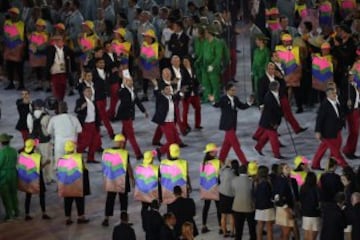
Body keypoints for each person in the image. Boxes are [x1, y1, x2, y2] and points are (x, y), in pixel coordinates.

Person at [209, 83, 254, 165]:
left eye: (235, 90)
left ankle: (220, 160)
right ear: (227, 91)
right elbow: (217, 105)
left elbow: (242, 106)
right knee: (236, 145)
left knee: (226, 145)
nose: (234, 92)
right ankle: (244, 162)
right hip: (227, 125)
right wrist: (212, 101)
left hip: (233, 124)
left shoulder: (235, 98)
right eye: (232, 90)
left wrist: (249, 103)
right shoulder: (223, 99)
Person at [102, 134, 134, 227]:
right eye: (123, 143)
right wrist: (132, 178)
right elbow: (128, 167)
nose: (124, 145)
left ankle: (106, 218)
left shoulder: (106, 152)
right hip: (122, 180)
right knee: (123, 200)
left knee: (110, 199)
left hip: (110, 180)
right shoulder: (124, 153)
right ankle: (124, 220)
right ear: (120, 142)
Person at [312, 87, 348, 169]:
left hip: (336, 130)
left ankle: (315, 164)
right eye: (332, 93)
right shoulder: (325, 105)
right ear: (328, 95)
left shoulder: (336, 102)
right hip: (328, 132)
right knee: (335, 150)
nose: (335, 94)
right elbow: (319, 119)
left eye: (335, 93)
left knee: (325, 147)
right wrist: (317, 131)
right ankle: (345, 165)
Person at [57, 141, 90, 225]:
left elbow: (59, 172)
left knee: (67, 201)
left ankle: (68, 218)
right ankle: (80, 217)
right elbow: (83, 169)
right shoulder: (79, 157)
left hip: (66, 183)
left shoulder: (61, 159)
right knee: (79, 200)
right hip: (77, 183)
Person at [116, 73, 148, 160]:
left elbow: (137, 101)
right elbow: (120, 96)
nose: (130, 82)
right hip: (125, 115)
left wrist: (144, 110)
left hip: (129, 115)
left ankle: (121, 148)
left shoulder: (132, 90)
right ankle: (138, 154)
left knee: (125, 133)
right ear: (125, 82)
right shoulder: (123, 91)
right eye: (128, 81)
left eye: (131, 81)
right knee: (131, 135)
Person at [18, 139, 51, 221]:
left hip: (27, 179)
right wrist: (46, 163)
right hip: (37, 179)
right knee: (42, 195)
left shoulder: (22, 155)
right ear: (33, 147)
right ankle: (44, 213)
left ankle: (27, 214)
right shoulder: (37, 156)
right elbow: (39, 168)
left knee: (28, 196)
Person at [254, 81, 285, 159]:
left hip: (271, 120)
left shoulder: (273, 95)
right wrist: (273, 123)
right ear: (276, 87)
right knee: (273, 138)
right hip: (270, 121)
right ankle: (277, 154)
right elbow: (270, 112)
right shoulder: (269, 98)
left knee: (266, 136)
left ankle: (258, 147)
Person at [47, 101, 82, 167]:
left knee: (59, 160)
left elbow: (49, 131)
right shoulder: (74, 118)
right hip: (71, 141)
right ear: (67, 108)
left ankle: (60, 173)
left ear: (58, 109)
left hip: (59, 142)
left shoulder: (54, 119)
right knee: (72, 160)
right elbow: (80, 130)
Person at [27, 99, 53, 184]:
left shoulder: (29, 115)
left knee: (36, 158)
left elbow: (29, 128)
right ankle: (47, 178)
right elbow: (49, 130)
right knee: (46, 158)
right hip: (44, 140)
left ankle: (37, 178)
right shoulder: (46, 116)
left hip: (34, 140)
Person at [74, 87, 102, 163]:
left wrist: (98, 124)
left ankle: (90, 158)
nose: (89, 93)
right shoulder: (80, 101)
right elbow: (76, 110)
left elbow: (96, 114)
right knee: (86, 142)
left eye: (90, 91)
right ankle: (76, 154)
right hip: (85, 125)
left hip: (93, 124)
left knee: (94, 142)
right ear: (84, 93)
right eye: (87, 91)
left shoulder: (93, 101)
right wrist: (81, 107)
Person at [134, 151, 160, 230]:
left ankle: (145, 225)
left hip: (142, 193)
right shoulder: (156, 169)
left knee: (144, 208)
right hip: (153, 194)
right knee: (154, 210)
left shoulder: (138, 168)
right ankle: (153, 225)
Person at [273, 163, 299, 240]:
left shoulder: (292, 180)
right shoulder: (280, 181)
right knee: (286, 232)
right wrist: (287, 210)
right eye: (286, 168)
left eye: (288, 167)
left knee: (293, 229)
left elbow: (294, 193)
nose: (289, 169)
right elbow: (278, 197)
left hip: (291, 206)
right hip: (284, 208)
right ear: (281, 170)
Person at [200, 143, 221, 234]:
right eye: (215, 150)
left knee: (206, 207)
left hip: (205, 187)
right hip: (215, 187)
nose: (216, 152)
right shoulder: (217, 162)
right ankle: (221, 226)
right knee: (219, 208)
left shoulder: (203, 163)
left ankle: (204, 225)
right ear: (211, 152)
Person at [231, 164, 257, 240]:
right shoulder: (251, 181)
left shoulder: (234, 180)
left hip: (237, 207)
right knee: (252, 229)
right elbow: (254, 193)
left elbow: (233, 193)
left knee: (238, 230)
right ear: (247, 171)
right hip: (249, 207)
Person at [46, 34, 75, 101]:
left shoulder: (67, 49)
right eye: (55, 40)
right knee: (56, 89)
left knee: (63, 88)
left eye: (59, 40)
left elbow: (72, 56)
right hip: (54, 72)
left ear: (63, 41)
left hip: (63, 72)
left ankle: (61, 102)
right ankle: (57, 104)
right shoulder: (50, 49)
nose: (57, 41)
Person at [3, 7, 25, 90]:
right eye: (11, 13)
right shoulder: (7, 22)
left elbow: (18, 35)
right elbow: (6, 33)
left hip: (18, 47)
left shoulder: (21, 23)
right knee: (9, 66)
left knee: (19, 67)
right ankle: (11, 82)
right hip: (8, 46)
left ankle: (21, 84)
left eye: (13, 14)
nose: (11, 15)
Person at [93, 57, 115, 139]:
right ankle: (111, 133)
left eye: (103, 63)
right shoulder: (93, 73)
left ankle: (97, 132)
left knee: (99, 116)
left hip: (104, 96)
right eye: (100, 63)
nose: (102, 64)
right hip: (97, 97)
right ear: (96, 64)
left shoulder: (106, 72)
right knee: (104, 115)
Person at [340, 71, 360, 159]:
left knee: (355, 132)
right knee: (354, 132)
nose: (353, 77)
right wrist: (347, 103)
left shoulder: (354, 85)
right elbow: (342, 99)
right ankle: (349, 151)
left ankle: (349, 149)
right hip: (351, 112)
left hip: (357, 110)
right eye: (351, 75)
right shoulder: (346, 86)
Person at [201, 25, 223, 102]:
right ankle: (207, 98)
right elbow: (203, 54)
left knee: (214, 83)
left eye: (206, 33)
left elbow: (218, 56)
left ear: (210, 33)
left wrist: (213, 65)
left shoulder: (217, 43)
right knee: (206, 83)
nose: (204, 34)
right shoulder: (205, 42)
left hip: (214, 66)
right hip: (205, 66)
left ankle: (215, 98)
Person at [0, 133, 18, 221]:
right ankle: (17, 212)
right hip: (13, 173)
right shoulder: (14, 151)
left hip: (4, 176)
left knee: (6, 196)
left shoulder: (2, 153)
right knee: (14, 194)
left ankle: (9, 215)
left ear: (1, 142)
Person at [253, 165, 275, 240]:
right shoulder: (268, 183)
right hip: (268, 207)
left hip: (259, 207)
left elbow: (253, 194)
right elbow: (271, 195)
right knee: (269, 228)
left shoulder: (255, 182)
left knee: (260, 227)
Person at [139, 29, 161, 101]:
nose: (144, 38)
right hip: (145, 65)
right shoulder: (144, 44)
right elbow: (142, 55)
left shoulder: (157, 45)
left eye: (146, 36)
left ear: (151, 37)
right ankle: (145, 95)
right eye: (144, 37)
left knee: (155, 81)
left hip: (154, 66)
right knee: (145, 80)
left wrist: (156, 61)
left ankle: (158, 94)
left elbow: (161, 55)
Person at [27, 18, 49, 91]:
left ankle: (45, 84)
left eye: (40, 26)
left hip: (43, 55)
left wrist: (36, 44)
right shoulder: (33, 34)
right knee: (37, 69)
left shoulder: (45, 34)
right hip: (35, 55)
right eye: (37, 26)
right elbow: (32, 43)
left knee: (44, 70)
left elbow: (42, 44)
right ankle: (39, 84)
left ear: (44, 27)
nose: (39, 28)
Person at [181, 56, 202, 131]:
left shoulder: (193, 69)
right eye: (184, 62)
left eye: (186, 61)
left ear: (190, 61)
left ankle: (197, 124)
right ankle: (185, 125)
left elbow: (196, 80)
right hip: (187, 94)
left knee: (198, 108)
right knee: (185, 111)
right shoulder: (182, 71)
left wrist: (199, 85)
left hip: (195, 93)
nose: (185, 63)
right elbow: (182, 83)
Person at [219, 160, 238, 237]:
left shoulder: (225, 171)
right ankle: (232, 232)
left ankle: (224, 233)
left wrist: (225, 165)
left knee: (223, 215)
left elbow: (219, 171)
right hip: (231, 195)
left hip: (223, 194)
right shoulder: (236, 173)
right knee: (232, 215)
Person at [299, 172, 321, 240]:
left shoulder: (303, 187)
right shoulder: (316, 188)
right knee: (313, 237)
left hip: (305, 214)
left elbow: (301, 200)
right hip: (315, 214)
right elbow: (319, 201)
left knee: (306, 236)